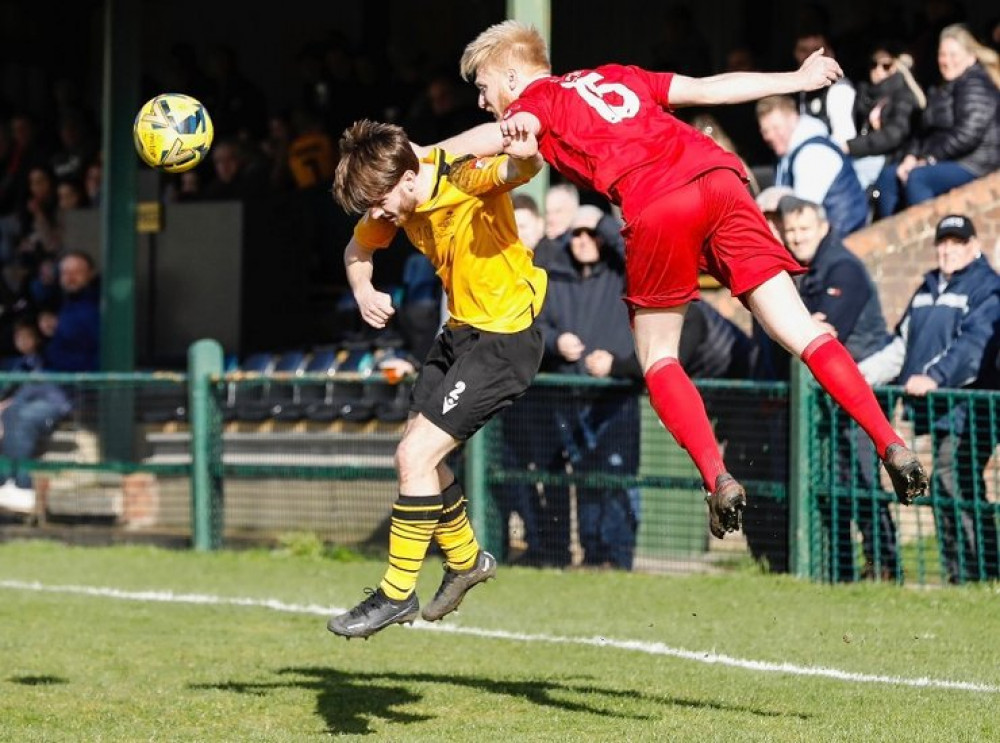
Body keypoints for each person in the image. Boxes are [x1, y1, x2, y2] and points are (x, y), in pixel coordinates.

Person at [443, 20, 928, 542]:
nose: (482, 99)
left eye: (483, 86)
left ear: (512, 76)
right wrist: (795, 78)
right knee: (804, 331)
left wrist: (417, 158)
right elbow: (709, 87)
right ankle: (890, 441)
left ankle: (716, 477)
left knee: (659, 357)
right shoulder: (615, 76)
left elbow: (483, 140)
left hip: (657, 202)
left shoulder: (532, 107)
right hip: (719, 178)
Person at [326, 119, 545, 638]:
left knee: (414, 457)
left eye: (378, 201)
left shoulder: (463, 178)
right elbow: (357, 252)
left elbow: (520, 169)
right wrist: (363, 290)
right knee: (421, 458)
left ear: (406, 178)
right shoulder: (396, 201)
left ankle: (397, 592)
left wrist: (526, 152)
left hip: (504, 339)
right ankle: (467, 560)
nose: (376, 214)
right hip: (461, 333)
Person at [859, 215, 1000, 584]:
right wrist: (857, 377)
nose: (948, 249)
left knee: (954, 480)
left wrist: (935, 377)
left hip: (969, 408)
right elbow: (900, 345)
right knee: (950, 484)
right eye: (943, 242)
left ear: (973, 246)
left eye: (957, 242)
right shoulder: (926, 287)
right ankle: (963, 574)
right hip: (936, 411)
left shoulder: (985, 287)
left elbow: (972, 347)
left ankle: (980, 571)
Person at [778, 196, 899, 581]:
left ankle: (883, 566)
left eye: (803, 229)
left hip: (862, 390)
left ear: (823, 227)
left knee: (864, 480)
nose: (796, 238)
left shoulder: (843, 268)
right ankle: (839, 569)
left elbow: (826, 334)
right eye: (791, 230)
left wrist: (807, 327)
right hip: (829, 396)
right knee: (834, 481)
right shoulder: (803, 270)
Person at [535, 205, 642, 570]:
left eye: (589, 234)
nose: (582, 241)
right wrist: (556, 341)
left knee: (617, 479)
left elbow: (632, 247)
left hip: (614, 395)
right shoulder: (557, 277)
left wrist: (600, 222)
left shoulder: (619, 272)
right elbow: (538, 326)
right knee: (583, 480)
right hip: (572, 395)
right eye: (576, 234)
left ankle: (618, 556)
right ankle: (594, 555)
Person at [0, 251, 99, 515]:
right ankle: (7, 484)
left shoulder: (95, 307)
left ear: (90, 274)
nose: (70, 277)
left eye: (76, 271)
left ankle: (21, 488)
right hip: (44, 383)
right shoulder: (60, 303)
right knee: (9, 412)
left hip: (73, 390)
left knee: (25, 418)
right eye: (65, 272)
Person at [874, 25, 1000, 215]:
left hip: (975, 162)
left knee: (918, 178)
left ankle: (928, 236)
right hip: (947, 159)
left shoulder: (975, 82)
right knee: (889, 177)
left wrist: (928, 159)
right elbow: (923, 132)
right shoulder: (943, 88)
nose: (946, 61)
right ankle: (892, 241)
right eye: (942, 54)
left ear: (971, 56)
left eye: (953, 54)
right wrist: (911, 157)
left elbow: (968, 133)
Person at [756, 94, 869, 236]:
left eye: (776, 128)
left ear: (793, 119)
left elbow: (800, 212)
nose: (771, 136)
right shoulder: (785, 155)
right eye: (765, 131)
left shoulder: (812, 154)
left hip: (843, 237)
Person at [843, 47, 926, 193]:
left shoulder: (903, 95)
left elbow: (894, 134)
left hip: (891, 157)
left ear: (897, 66)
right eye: (874, 64)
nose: (878, 70)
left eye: (886, 65)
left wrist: (852, 146)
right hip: (866, 154)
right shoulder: (864, 95)